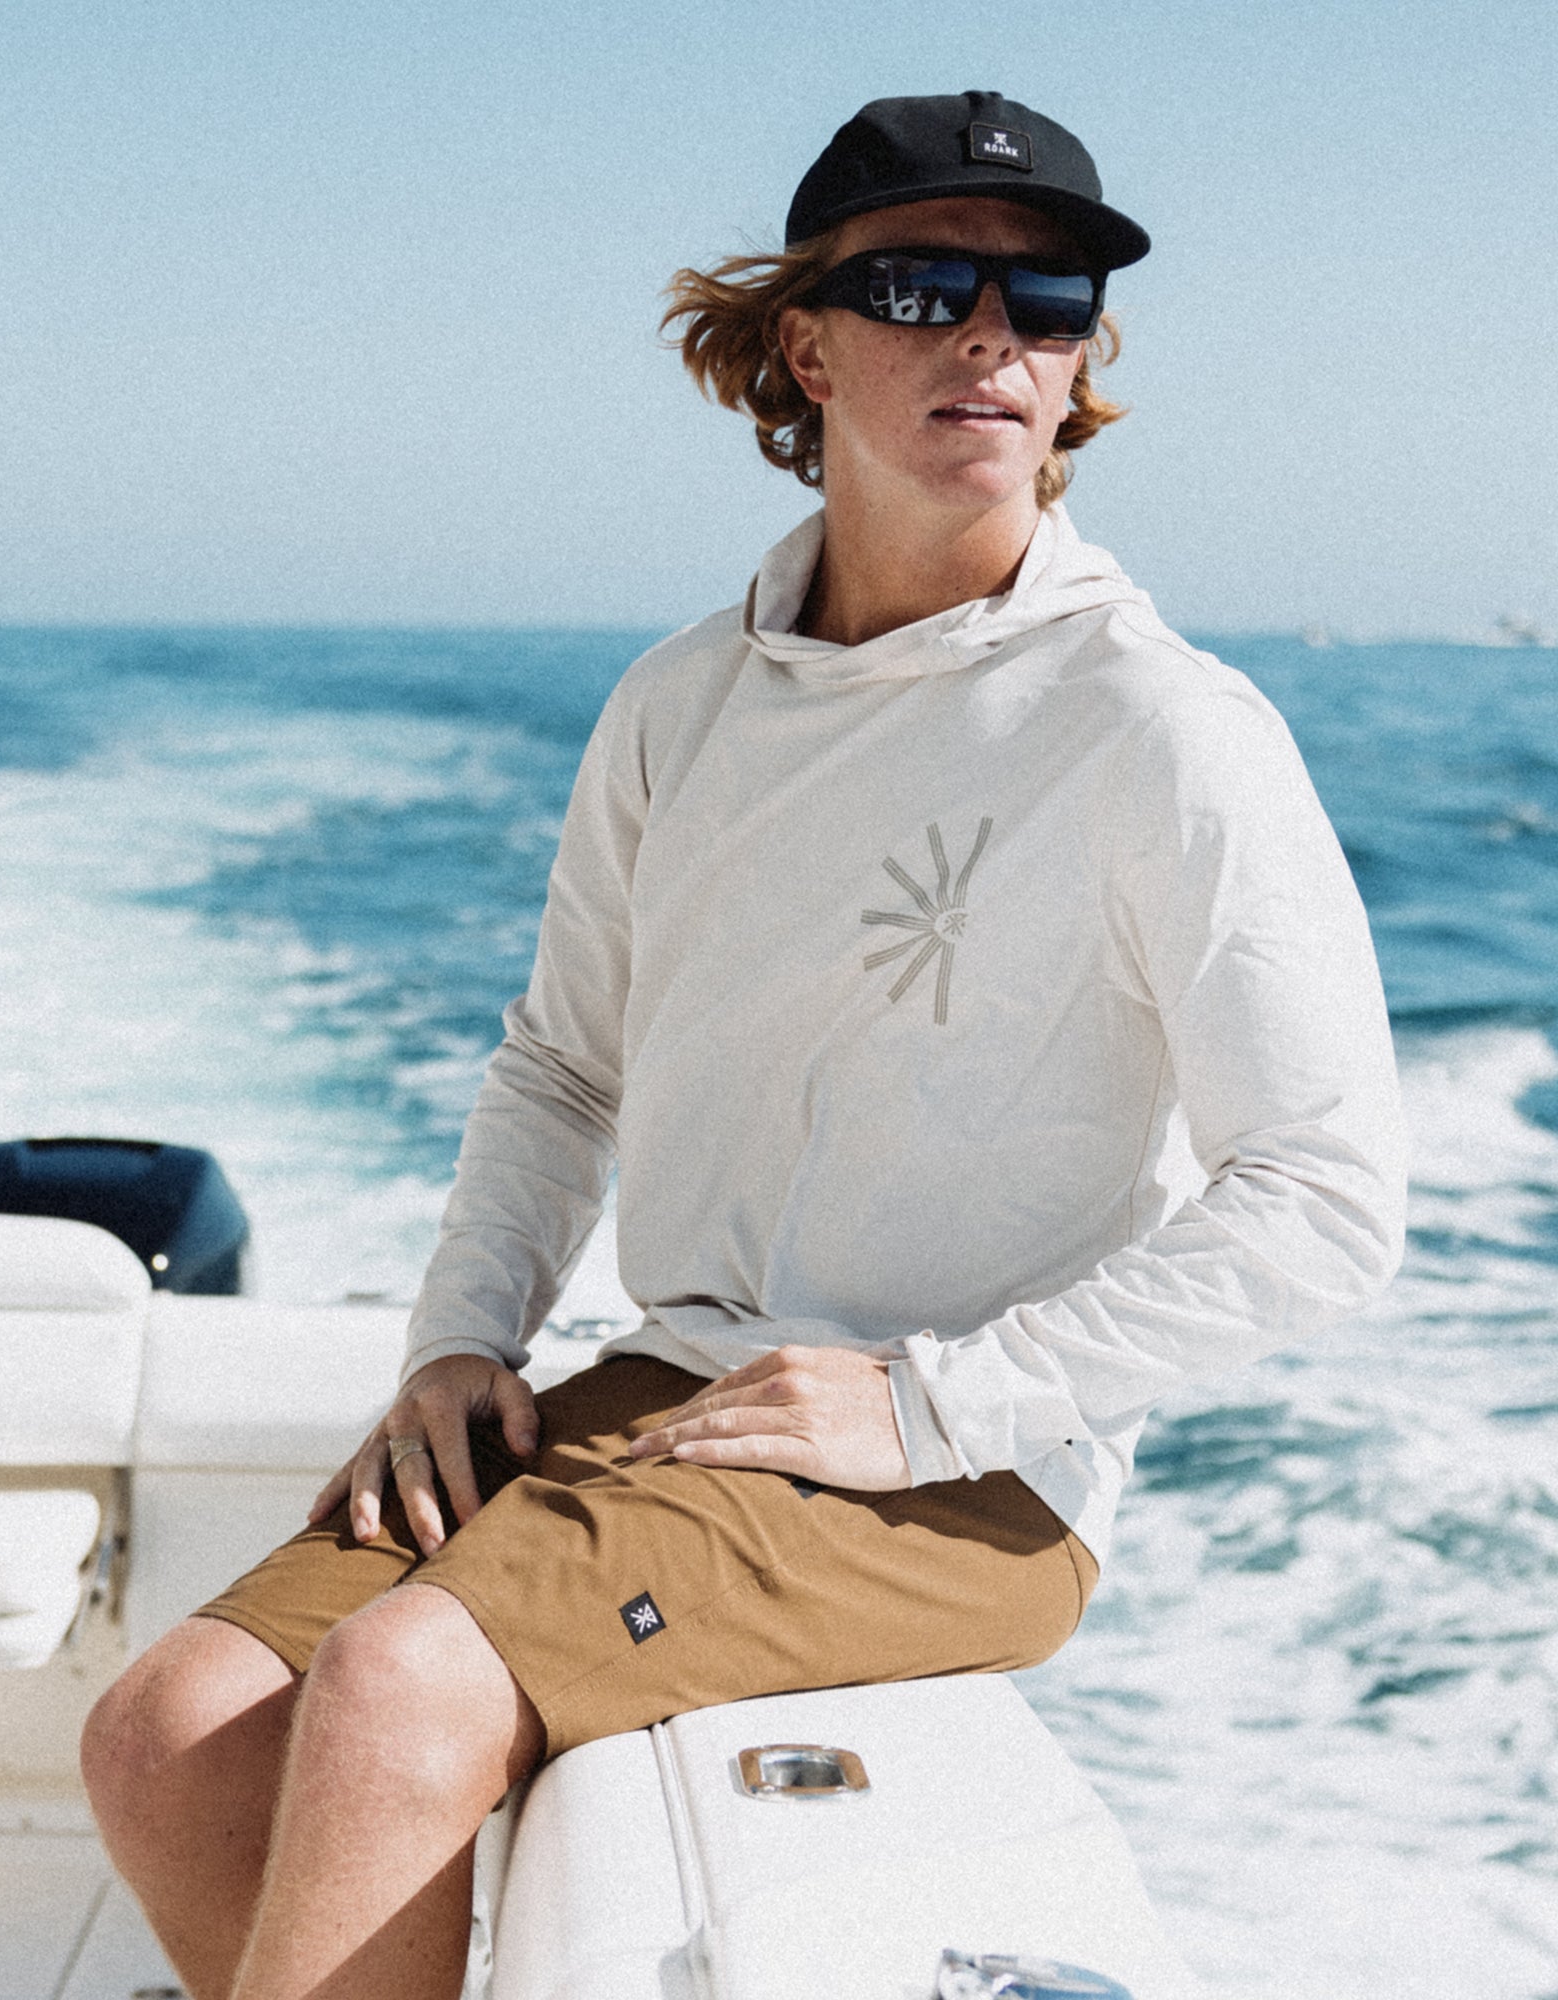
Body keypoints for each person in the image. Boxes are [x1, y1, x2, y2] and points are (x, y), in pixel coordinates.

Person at [81, 89, 1406, 2000]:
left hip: (969, 1473)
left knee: (394, 1692)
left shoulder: (1161, 728)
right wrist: (463, 1335)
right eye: (926, 284)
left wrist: (932, 1401)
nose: (992, 337)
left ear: (1080, 360)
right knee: (171, 1728)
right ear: (803, 344)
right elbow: (563, 1064)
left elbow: (1327, 1198)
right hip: (672, 1390)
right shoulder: (683, 700)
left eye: (1044, 301)